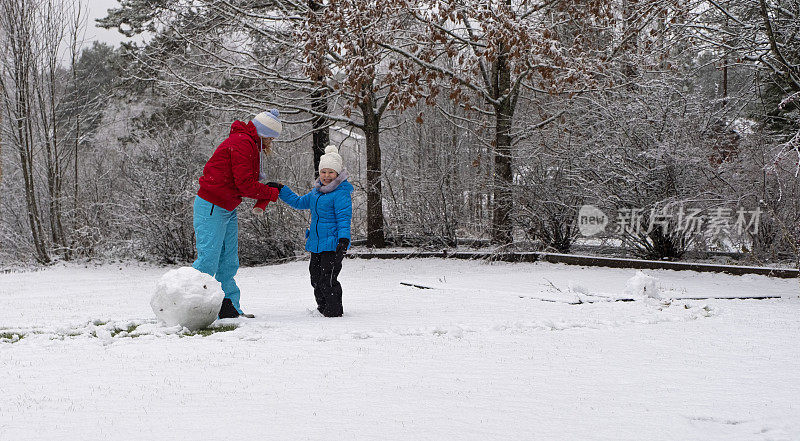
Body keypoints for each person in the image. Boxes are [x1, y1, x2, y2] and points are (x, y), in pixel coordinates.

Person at [193, 109, 283, 319]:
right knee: (208, 261)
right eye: (270, 137)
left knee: (228, 262)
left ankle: (229, 309)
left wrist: (266, 192)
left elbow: (243, 183)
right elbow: (244, 185)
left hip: (226, 207)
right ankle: (192, 308)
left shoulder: (248, 143)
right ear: (262, 132)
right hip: (212, 205)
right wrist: (270, 193)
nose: (271, 142)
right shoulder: (243, 143)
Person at [270, 145, 353, 317]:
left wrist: (343, 240)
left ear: (338, 174)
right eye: (324, 172)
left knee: (327, 279)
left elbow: (344, 218)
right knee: (315, 278)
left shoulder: (340, 194)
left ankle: (334, 312)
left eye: (331, 172)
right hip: (316, 244)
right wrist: (281, 189)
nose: (326, 176)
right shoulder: (317, 193)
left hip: (332, 244)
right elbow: (299, 202)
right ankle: (322, 309)